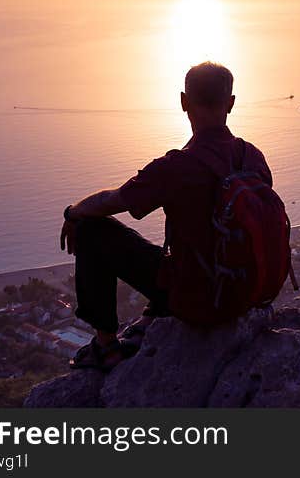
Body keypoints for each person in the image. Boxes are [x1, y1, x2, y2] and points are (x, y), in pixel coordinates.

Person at [59, 62, 273, 371]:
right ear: (231, 103)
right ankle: (154, 315)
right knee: (182, 250)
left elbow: (112, 200)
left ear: (184, 101)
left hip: (200, 301)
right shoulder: (253, 157)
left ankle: (106, 347)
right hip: (245, 294)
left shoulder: (176, 167)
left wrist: (74, 212)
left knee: (93, 229)